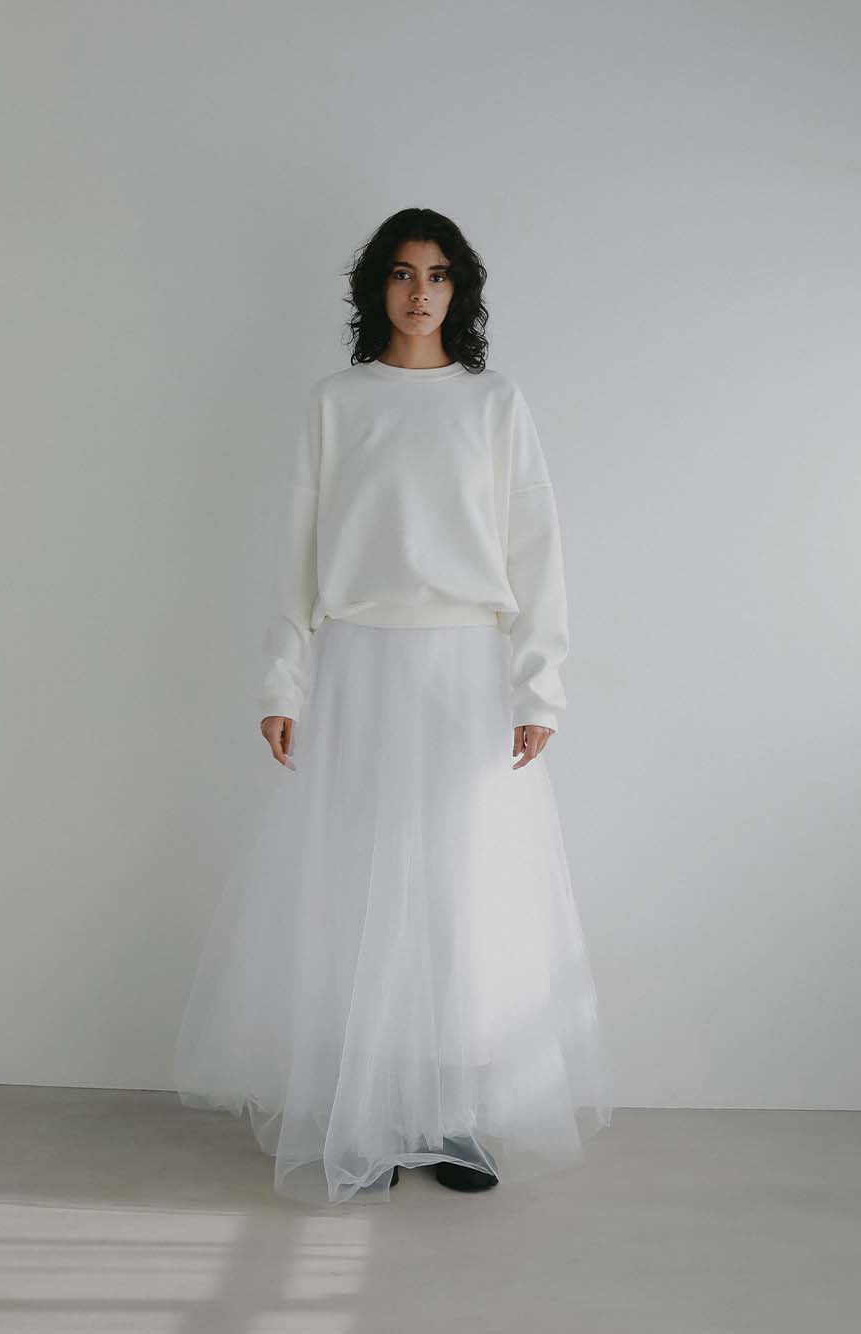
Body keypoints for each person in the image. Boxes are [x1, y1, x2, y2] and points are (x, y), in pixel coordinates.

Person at [174, 207, 613, 1206]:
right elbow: (299, 547)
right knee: (358, 882)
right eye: (404, 273)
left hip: (463, 666)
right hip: (359, 664)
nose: (421, 293)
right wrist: (284, 679)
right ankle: (363, 1116)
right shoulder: (337, 402)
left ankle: (447, 1112)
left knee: (459, 887)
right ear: (376, 286)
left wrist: (538, 684)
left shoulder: (493, 403)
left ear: (461, 291)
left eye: (440, 275)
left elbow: (535, 546)